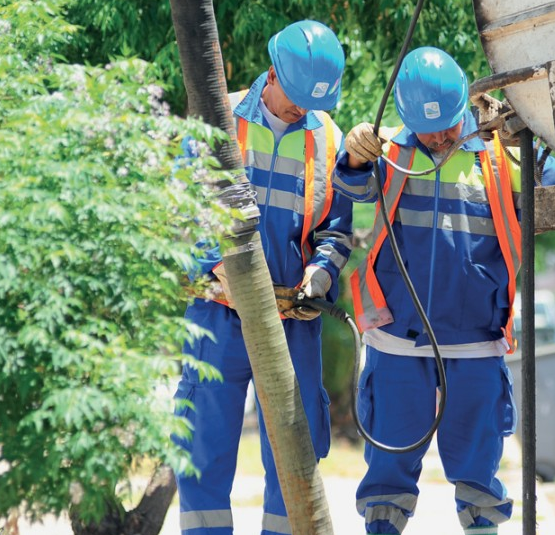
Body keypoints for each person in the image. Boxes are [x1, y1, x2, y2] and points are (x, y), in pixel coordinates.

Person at [335, 46, 555, 535]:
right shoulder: (391, 154)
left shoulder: (496, 154)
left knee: (478, 469)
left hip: (474, 342)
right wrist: (353, 153)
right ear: (406, 118)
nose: (442, 136)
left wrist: (526, 135)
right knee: (388, 470)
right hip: (399, 341)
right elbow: (352, 185)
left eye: (449, 123)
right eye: (429, 128)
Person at [172, 20, 352, 535]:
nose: (303, 110)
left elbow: (335, 232)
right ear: (270, 75)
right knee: (203, 443)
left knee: (292, 455)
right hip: (219, 313)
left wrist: (321, 273)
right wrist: (216, 268)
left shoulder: (328, 137)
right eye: (295, 99)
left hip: (292, 317)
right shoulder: (219, 119)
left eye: (310, 103)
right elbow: (183, 210)